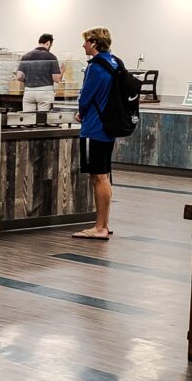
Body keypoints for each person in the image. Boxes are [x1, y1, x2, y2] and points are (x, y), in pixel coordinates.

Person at [74, 27, 118, 240]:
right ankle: (104, 223)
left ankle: (99, 227)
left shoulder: (94, 66)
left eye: (85, 42)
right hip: (109, 127)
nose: (83, 45)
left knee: (98, 177)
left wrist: (81, 113)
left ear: (93, 42)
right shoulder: (114, 62)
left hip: (94, 127)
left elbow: (85, 98)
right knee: (105, 176)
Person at [15, 33, 63, 113]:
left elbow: (19, 76)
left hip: (28, 91)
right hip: (45, 92)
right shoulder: (51, 57)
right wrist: (62, 70)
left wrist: (28, 79)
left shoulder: (26, 56)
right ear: (48, 43)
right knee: (43, 120)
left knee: (28, 120)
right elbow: (56, 79)